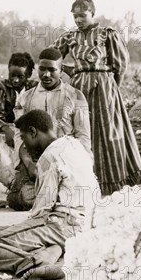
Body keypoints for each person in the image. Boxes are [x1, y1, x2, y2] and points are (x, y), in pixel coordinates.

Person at [0, 109, 98, 280]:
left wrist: (25, 228)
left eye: (23, 138)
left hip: (63, 224)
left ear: (33, 132)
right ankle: (54, 249)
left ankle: (36, 263)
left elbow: (41, 211)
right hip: (85, 223)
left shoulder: (49, 157)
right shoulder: (74, 144)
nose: (24, 145)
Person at [52, 0, 141, 196]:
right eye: (75, 16)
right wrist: (70, 71)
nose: (78, 20)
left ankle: (111, 181)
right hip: (78, 88)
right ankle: (84, 180)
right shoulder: (70, 36)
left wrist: (112, 87)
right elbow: (52, 57)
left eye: (83, 15)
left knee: (107, 131)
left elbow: (120, 64)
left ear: (92, 13)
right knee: (81, 129)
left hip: (104, 86)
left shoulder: (107, 34)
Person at [8, 48, 91, 211]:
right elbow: (19, 136)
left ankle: (59, 192)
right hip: (34, 160)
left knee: (66, 195)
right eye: (42, 69)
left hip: (65, 159)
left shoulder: (76, 96)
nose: (46, 75)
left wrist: (81, 164)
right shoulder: (25, 97)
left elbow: (83, 136)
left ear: (61, 70)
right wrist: (29, 164)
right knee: (18, 199)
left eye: (52, 70)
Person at [0, 53, 39, 186]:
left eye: (20, 76)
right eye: (13, 75)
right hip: (3, 130)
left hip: (28, 131)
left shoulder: (35, 88)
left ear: (28, 75)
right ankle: (6, 179)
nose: (15, 80)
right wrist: (6, 128)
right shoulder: (0, 87)